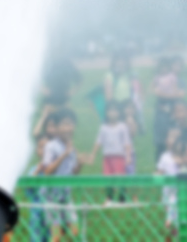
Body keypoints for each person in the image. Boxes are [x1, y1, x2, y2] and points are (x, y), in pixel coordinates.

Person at [42, 110, 83, 242]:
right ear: (57, 127)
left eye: (71, 124)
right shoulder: (51, 146)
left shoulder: (71, 147)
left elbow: (73, 173)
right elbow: (47, 171)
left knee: (74, 230)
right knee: (56, 234)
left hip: (66, 195)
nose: (69, 128)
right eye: (65, 124)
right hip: (51, 196)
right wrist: (64, 154)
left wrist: (80, 164)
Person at [91, 100, 132, 176]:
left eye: (115, 110)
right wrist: (93, 154)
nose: (112, 113)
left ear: (119, 112)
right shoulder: (103, 127)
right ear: (106, 112)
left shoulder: (122, 127)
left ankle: (120, 188)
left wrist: (128, 156)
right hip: (107, 157)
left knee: (119, 179)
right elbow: (98, 141)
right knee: (107, 179)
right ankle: (109, 188)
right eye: (110, 110)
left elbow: (127, 143)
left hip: (119, 157)